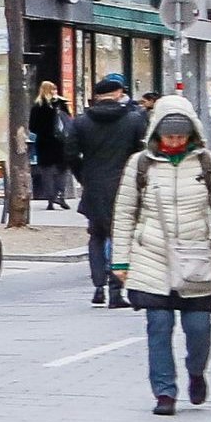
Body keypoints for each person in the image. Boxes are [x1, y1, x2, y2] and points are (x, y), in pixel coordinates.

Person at [113, 101, 211, 415]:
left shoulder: (206, 164)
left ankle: (196, 372)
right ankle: (164, 393)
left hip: (195, 257)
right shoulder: (140, 164)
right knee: (158, 325)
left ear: (191, 133)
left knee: (198, 329)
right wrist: (120, 260)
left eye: (180, 137)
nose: (174, 142)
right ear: (157, 133)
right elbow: (125, 213)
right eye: (169, 137)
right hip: (151, 256)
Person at [65, 75, 147, 311]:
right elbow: (143, 154)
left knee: (96, 235)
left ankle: (98, 286)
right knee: (120, 236)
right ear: (119, 93)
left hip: (94, 186)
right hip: (125, 185)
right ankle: (116, 290)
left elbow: (70, 153)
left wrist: (84, 177)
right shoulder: (134, 120)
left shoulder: (81, 121)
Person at [27, 85, 74, 213]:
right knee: (63, 169)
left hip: (44, 143)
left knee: (46, 171)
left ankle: (50, 199)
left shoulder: (37, 106)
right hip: (61, 143)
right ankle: (60, 195)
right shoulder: (61, 104)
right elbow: (69, 122)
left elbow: (32, 127)